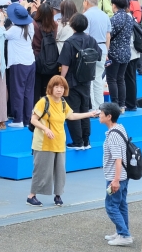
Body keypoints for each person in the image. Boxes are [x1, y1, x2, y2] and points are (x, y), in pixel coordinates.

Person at [27, 75, 99, 207]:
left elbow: (71, 116)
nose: (59, 90)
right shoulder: (44, 101)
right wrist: (45, 129)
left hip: (59, 142)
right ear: (51, 88)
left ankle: (58, 195)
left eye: (62, 87)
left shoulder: (63, 103)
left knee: (60, 171)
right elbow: (33, 119)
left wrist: (89, 114)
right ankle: (32, 195)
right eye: (56, 87)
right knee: (41, 170)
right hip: (43, 142)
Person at [58, 13, 100, 150]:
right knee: (85, 110)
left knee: (73, 111)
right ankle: (86, 140)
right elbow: (98, 55)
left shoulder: (69, 42)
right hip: (86, 79)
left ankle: (77, 142)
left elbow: (65, 64)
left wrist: (62, 80)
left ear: (72, 25)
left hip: (72, 80)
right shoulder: (91, 40)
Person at [99, 103, 132, 246]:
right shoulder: (120, 128)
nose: (98, 115)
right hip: (125, 175)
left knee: (111, 206)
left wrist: (116, 180)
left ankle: (124, 235)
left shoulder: (113, 135)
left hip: (116, 176)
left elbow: (118, 158)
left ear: (109, 116)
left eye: (101, 113)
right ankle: (121, 231)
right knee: (121, 204)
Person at [3, 3, 36, 129]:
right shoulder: (30, 26)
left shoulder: (14, 30)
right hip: (31, 62)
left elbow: (2, 34)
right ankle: (27, 119)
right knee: (28, 92)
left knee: (17, 91)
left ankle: (18, 119)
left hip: (18, 63)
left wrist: (1, 21)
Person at [81, 0, 111, 110]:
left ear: (86, 2)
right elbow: (108, 36)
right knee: (98, 79)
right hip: (102, 49)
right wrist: (106, 52)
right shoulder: (105, 15)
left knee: (90, 80)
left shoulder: (87, 15)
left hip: (90, 50)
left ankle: (92, 107)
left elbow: (85, 35)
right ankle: (100, 107)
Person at [107, 0, 136, 112]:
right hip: (126, 52)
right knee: (121, 78)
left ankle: (115, 104)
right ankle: (122, 104)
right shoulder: (130, 18)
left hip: (114, 52)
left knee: (111, 79)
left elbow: (110, 35)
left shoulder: (113, 19)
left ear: (114, 5)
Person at [32, 3, 58, 101]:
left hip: (37, 57)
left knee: (36, 87)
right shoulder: (55, 25)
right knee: (48, 87)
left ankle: (36, 110)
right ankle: (48, 109)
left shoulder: (34, 25)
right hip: (52, 58)